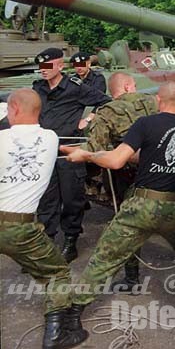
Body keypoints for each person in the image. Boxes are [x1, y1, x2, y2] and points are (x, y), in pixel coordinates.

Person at [63, 82, 175, 319]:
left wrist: (87, 154)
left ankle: (71, 317)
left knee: (105, 258)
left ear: (158, 101)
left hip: (142, 206)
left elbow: (116, 162)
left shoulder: (145, 123)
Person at [0, 89, 88, 349]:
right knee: (57, 273)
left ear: (13, 109)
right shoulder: (50, 139)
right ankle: (55, 336)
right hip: (20, 227)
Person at [77, 71, 158, 292]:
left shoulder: (107, 112)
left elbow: (96, 149)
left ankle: (132, 279)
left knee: (126, 226)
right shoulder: (153, 102)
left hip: (126, 175)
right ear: (130, 86)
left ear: (113, 91)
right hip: (159, 172)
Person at [32, 47, 111, 262]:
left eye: (48, 66)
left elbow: (105, 101)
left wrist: (89, 119)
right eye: (41, 66)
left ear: (59, 66)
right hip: (45, 150)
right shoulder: (37, 88)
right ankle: (47, 242)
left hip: (69, 150)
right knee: (46, 199)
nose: (43, 70)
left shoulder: (75, 87)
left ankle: (70, 240)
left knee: (71, 198)